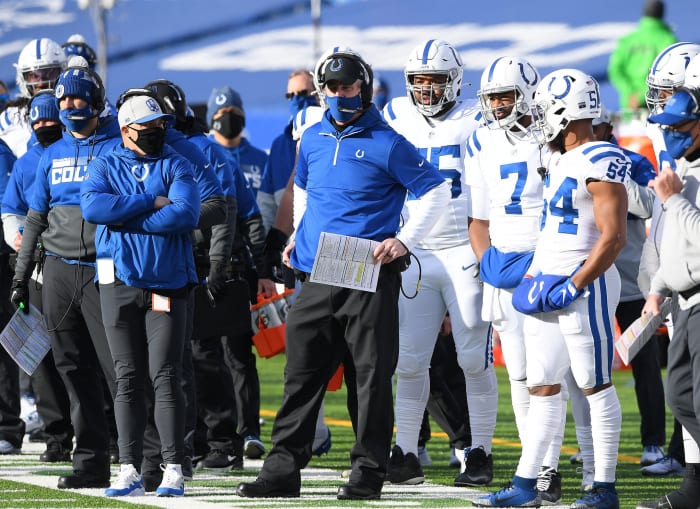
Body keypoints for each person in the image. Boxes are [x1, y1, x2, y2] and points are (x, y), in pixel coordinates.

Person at [236, 46, 450, 500]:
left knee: (369, 377)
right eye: (331, 87)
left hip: (368, 269)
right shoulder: (311, 136)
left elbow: (435, 191)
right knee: (301, 372)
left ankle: (369, 472)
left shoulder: (388, 141)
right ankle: (282, 469)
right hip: (318, 268)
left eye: (347, 86)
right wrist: (297, 237)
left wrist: (404, 241)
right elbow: (306, 193)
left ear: (363, 88)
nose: (338, 94)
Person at [475, 69, 629, 508]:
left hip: (585, 284)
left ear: (566, 109)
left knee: (594, 384)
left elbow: (613, 236)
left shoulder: (601, 157)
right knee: (541, 384)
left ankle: (603, 487)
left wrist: (575, 283)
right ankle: (526, 485)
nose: (537, 118)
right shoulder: (560, 155)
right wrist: (542, 278)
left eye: (543, 110)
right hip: (547, 282)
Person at [380, 39, 495, 488]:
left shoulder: (478, 117)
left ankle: (479, 450)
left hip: (465, 249)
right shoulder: (394, 115)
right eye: (420, 81)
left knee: (472, 359)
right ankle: (406, 451)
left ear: (456, 81)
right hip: (415, 252)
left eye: (436, 80)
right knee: (408, 361)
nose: (426, 90)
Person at [80, 89, 200, 498]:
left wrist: (126, 218)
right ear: (127, 130)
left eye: (160, 126)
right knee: (127, 378)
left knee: (166, 376)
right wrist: (150, 201)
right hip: (118, 284)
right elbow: (93, 209)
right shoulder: (104, 163)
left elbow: (185, 213)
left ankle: (173, 468)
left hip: (167, 283)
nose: (156, 133)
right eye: (148, 128)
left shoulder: (177, 162)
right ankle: (128, 468)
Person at [467, 55, 576, 504]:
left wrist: (543, 265)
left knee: (548, 375)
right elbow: (477, 218)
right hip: (503, 270)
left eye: (504, 96)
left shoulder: (550, 142)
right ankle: (532, 467)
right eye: (491, 96)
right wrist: (486, 261)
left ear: (527, 94)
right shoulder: (480, 141)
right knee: (517, 376)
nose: (496, 105)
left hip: (543, 267)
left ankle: (549, 469)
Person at [9, 62, 120, 489]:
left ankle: (141, 456)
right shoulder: (51, 154)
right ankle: (90, 459)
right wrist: (22, 274)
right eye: (65, 98)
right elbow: (35, 217)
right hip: (56, 269)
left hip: (103, 270)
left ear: (95, 101)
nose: (70, 105)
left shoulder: (115, 146)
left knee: (119, 370)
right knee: (71, 367)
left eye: (77, 97)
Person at [592, 104, 685, 475]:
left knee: (644, 363)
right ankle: (591, 443)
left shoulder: (631, 161)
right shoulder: (568, 161)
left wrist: (611, 180)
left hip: (630, 279)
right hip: (591, 279)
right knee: (589, 364)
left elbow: (651, 205)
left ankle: (652, 442)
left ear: (605, 126)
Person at [1, 90, 74, 463]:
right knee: (40, 356)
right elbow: (11, 210)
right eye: (39, 120)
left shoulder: (78, 153)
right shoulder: (28, 162)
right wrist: (19, 241)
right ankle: (56, 436)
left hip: (77, 266)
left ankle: (104, 433)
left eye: (51, 120)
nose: (45, 125)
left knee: (81, 350)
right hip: (38, 268)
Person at [636, 87, 700, 509]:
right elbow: (673, 242)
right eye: (667, 127)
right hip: (684, 299)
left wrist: (674, 199)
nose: (672, 135)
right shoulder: (680, 169)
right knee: (679, 396)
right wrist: (658, 288)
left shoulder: (680, 183)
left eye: (679, 127)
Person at [0, 38, 66, 157]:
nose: (41, 83)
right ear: (22, 78)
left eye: (49, 73)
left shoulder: (71, 107)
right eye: (34, 76)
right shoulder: (11, 116)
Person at [607, 0, 676, 113]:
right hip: (655, 106)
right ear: (662, 14)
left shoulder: (628, 40)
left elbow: (615, 70)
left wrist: (630, 93)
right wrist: (641, 95)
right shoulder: (668, 39)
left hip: (629, 104)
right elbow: (671, 73)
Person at [207, 86, 267, 195]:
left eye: (234, 111)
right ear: (212, 119)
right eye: (223, 112)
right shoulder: (201, 155)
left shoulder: (261, 159)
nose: (229, 117)